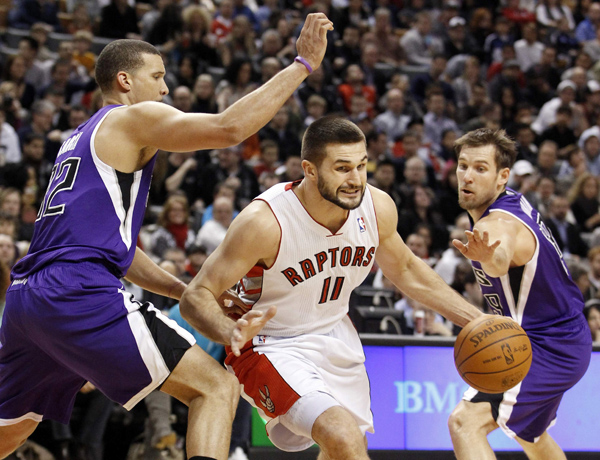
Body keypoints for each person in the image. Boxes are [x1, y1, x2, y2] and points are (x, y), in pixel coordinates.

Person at [0, 13, 334, 460]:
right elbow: (228, 129)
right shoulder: (131, 118)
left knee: (13, 429)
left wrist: (184, 290)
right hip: (75, 292)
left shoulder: (78, 138)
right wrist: (302, 65)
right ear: (124, 81)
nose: (164, 89)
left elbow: (119, 250)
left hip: (26, 300)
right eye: (156, 77)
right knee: (214, 388)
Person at [179, 116, 483, 460]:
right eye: (342, 168)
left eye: (362, 166)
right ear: (310, 170)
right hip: (269, 343)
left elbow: (407, 269)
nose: (356, 180)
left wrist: (476, 320)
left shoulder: (376, 206)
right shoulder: (264, 222)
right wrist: (230, 330)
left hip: (335, 333)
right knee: (342, 437)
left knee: (348, 448)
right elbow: (195, 295)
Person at [448, 128, 592, 460]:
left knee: (464, 422)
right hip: (563, 335)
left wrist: (490, 258)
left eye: (480, 169)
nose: (467, 176)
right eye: (463, 165)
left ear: (503, 177)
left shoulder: (496, 223)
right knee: (532, 435)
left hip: (548, 344)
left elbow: (500, 258)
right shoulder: (509, 199)